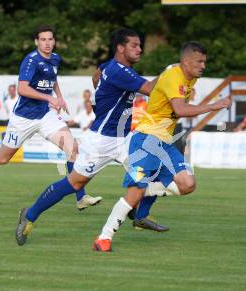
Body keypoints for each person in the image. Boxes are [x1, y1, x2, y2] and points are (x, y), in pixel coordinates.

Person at [14, 28, 160, 246]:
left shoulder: (108, 67)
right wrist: (171, 72)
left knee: (152, 167)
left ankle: (139, 216)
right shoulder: (121, 72)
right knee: (73, 183)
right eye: (134, 45)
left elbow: (97, 76)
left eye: (140, 45)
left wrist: (104, 98)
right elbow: (151, 89)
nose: (140, 49)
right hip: (101, 140)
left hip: (125, 138)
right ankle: (30, 215)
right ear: (121, 48)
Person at [92, 41, 231, 252]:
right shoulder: (174, 77)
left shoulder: (188, 78)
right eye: (199, 61)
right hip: (146, 140)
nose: (203, 65)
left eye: (204, 61)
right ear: (185, 61)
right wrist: (213, 106)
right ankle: (104, 237)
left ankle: (144, 190)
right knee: (133, 195)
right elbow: (180, 109)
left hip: (163, 142)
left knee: (187, 184)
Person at [0, 25, 100, 211]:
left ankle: (80, 198)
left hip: (45, 115)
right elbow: (22, 89)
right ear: (36, 41)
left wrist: (59, 96)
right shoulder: (31, 60)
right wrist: (49, 97)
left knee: (72, 148)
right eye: (43, 39)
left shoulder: (55, 59)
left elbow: (53, 78)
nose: (47, 43)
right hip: (23, 118)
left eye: (50, 39)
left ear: (54, 41)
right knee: (2, 159)